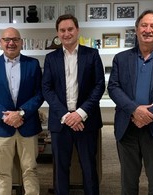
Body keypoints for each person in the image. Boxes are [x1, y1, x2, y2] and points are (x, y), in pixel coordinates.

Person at [107, 10, 153, 195]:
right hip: (127, 129)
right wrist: (134, 110)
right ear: (136, 29)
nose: (148, 30)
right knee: (128, 183)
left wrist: (149, 114)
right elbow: (114, 88)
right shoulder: (121, 59)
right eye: (144, 25)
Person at [42, 14, 105, 195]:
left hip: (86, 121)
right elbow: (47, 89)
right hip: (60, 122)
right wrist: (66, 115)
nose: (66, 33)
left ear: (77, 30)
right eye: (62, 30)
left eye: (70, 29)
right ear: (57, 33)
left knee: (88, 167)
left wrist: (80, 113)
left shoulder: (92, 54)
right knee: (60, 169)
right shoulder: (51, 58)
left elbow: (99, 85)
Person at [0, 27, 43, 195]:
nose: (11, 43)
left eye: (15, 39)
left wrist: (21, 113)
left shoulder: (33, 64)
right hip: (2, 127)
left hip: (28, 125)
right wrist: (5, 116)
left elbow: (40, 94)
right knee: (2, 172)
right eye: (7, 39)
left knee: (30, 170)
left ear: (21, 43)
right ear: (0, 43)